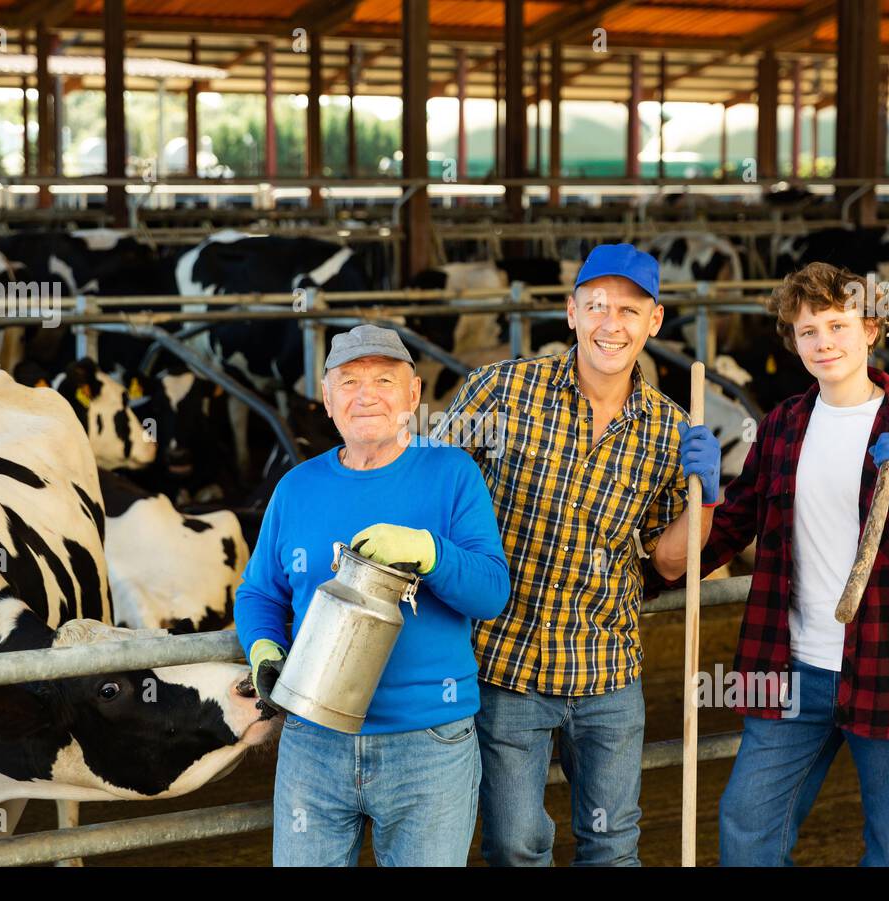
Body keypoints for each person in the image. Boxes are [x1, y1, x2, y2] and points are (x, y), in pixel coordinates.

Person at [660, 261, 889, 866]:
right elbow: (719, 540)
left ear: (871, 328)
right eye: (807, 331)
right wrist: (704, 498)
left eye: (837, 325)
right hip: (789, 672)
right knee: (747, 830)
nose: (824, 342)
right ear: (794, 342)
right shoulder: (780, 429)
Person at [433, 243, 722, 866]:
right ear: (571, 313)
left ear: (654, 321)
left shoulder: (671, 430)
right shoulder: (500, 390)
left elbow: (672, 564)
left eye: (627, 309)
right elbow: (432, 491)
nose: (609, 324)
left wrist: (707, 499)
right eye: (595, 306)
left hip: (608, 669)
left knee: (613, 846)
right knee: (514, 844)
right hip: (506, 662)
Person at [234, 324, 510, 867]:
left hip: (428, 741)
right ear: (327, 397)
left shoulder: (452, 474)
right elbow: (259, 593)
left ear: (413, 396)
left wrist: (431, 552)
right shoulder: (296, 487)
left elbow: (490, 592)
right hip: (312, 739)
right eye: (350, 381)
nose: (367, 394)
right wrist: (264, 648)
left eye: (386, 379)